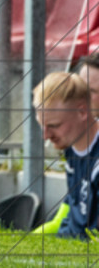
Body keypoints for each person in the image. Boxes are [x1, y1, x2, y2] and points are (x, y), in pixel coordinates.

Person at [33, 71, 99, 239]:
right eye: (43, 126)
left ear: (82, 112)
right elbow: (72, 213)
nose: (46, 135)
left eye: (54, 125)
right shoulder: (71, 146)